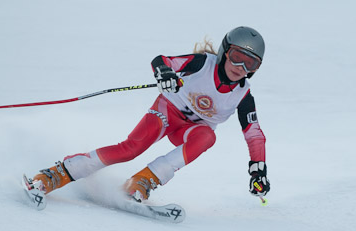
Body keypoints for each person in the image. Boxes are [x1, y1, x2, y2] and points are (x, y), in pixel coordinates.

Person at [29, 26, 270, 202]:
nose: (241, 68)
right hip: (167, 113)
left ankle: (143, 180)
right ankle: (58, 173)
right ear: (225, 51)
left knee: (208, 137)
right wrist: (165, 74)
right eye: (238, 57)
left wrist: (257, 168)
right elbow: (161, 60)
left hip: (190, 130)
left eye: (251, 64)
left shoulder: (243, 95)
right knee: (130, 149)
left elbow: (255, 135)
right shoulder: (201, 63)